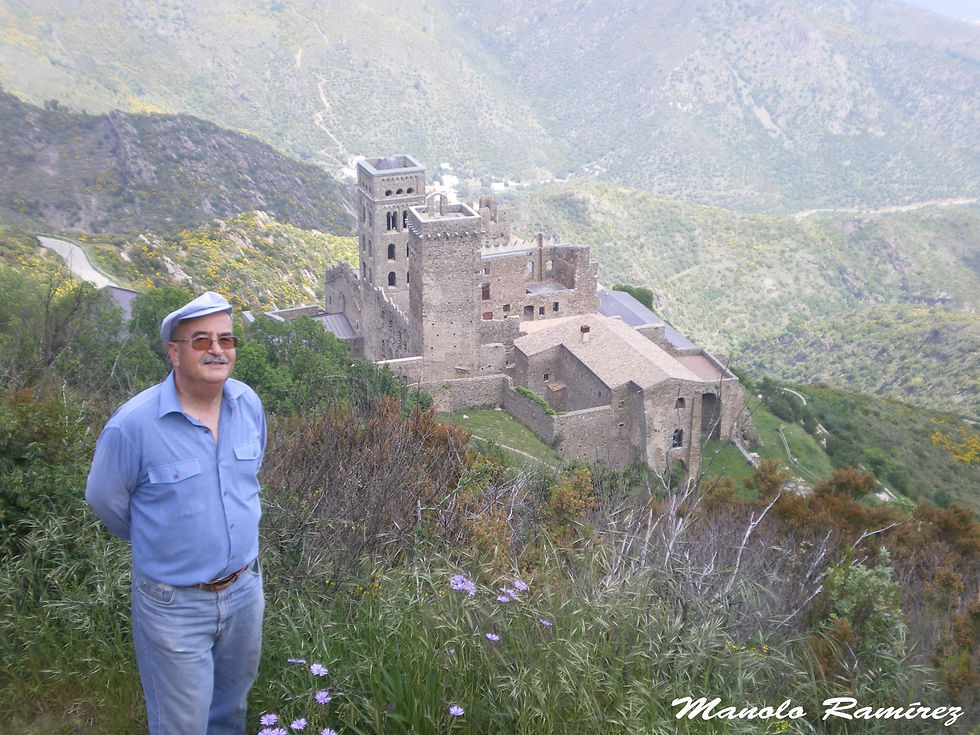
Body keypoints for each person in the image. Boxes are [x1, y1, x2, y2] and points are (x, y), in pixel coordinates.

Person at [86, 291, 267, 735]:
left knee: (229, 714)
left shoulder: (248, 405)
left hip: (244, 592)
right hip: (174, 604)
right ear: (174, 351)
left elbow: (247, 477)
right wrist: (162, 540)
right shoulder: (133, 426)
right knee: (181, 726)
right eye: (201, 341)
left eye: (226, 339)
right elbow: (105, 500)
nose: (218, 350)